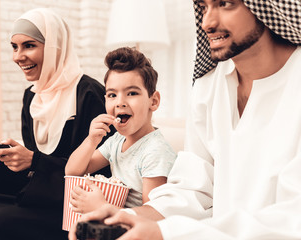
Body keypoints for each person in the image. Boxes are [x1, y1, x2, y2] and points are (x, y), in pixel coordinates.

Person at [69, 0, 301, 239]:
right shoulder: (209, 85)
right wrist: (127, 220)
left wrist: (164, 233)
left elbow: (293, 219)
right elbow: (193, 189)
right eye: (203, 6)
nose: (207, 22)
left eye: (225, 4)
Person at [0, 8, 111, 240]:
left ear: (55, 47)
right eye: (14, 46)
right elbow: (34, 162)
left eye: (29, 45)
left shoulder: (90, 95)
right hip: (41, 193)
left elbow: (105, 168)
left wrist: (33, 160)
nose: (17, 56)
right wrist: (2, 156)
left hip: (73, 205)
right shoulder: (32, 96)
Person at [65, 47, 176, 213]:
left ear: (153, 101)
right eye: (112, 95)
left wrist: (103, 207)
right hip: (115, 222)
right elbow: (72, 171)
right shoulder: (116, 142)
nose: (120, 102)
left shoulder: (155, 151)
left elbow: (153, 214)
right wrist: (91, 141)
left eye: (131, 93)